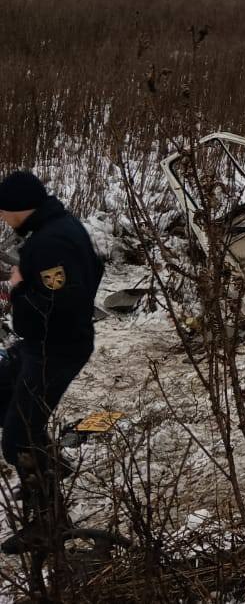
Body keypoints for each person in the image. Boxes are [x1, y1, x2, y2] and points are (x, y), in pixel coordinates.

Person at [0, 171, 103, 554]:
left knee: (18, 437)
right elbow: (94, 270)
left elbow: (62, 303)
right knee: (4, 392)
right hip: (42, 345)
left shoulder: (49, 243)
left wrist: (18, 289)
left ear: (19, 207)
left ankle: (47, 521)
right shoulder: (57, 228)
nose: (2, 218)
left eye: (3, 211)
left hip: (54, 350)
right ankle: (45, 464)